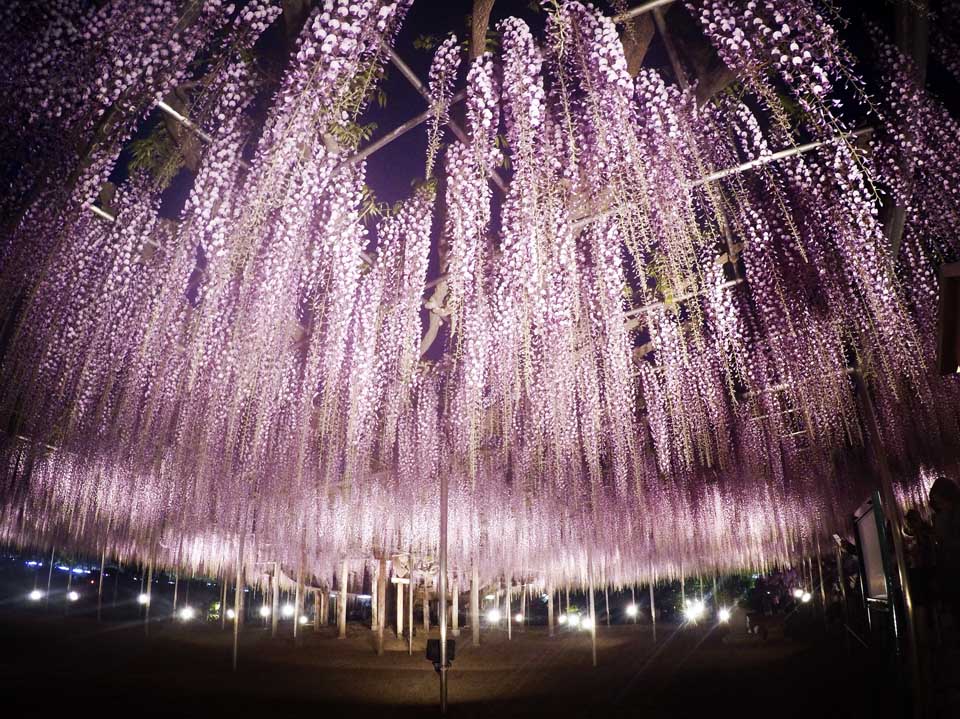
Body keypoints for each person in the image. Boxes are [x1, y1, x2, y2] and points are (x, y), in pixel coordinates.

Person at [929, 477, 960, 622]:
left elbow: (947, 542)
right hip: (950, 573)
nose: (940, 506)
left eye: (940, 502)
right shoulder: (943, 516)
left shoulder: (950, 516)